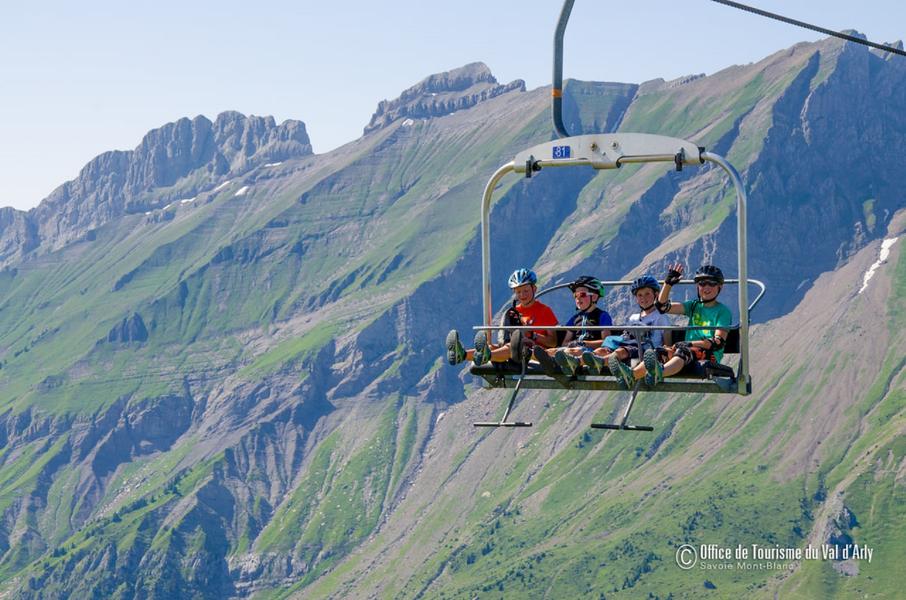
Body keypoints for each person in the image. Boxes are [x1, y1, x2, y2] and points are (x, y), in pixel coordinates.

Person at [609, 264, 732, 389]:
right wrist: (668, 283)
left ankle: (659, 373)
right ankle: (632, 375)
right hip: (687, 351)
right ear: (697, 286)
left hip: (708, 354)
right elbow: (662, 307)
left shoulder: (722, 312)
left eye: (711, 283)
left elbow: (718, 342)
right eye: (702, 283)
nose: (706, 287)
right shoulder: (694, 306)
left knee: (683, 351)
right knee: (658, 352)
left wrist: (689, 344)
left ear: (719, 287)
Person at [446, 268, 558, 366]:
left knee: (511, 348)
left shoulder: (545, 311)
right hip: (516, 348)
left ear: (534, 289)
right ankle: (461, 354)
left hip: (535, 352)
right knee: (492, 347)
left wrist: (532, 335)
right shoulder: (513, 312)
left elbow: (553, 342)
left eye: (526, 291)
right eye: (518, 292)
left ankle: (486, 356)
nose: (522, 295)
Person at [579, 275, 671, 375]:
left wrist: (663, 355)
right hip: (629, 344)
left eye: (647, 294)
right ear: (636, 298)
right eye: (639, 295)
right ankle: (578, 361)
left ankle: (600, 362)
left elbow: (667, 342)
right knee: (603, 350)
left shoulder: (660, 317)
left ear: (656, 294)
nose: (643, 298)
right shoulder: (633, 318)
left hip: (646, 349)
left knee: (620, 352)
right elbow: (626, 336)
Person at [531, 276, 612, 375]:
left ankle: (554, 362)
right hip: (572, 349)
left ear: (594, 296)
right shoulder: (574, 319)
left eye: (582, 294)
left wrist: (584, 343)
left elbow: (606, 342)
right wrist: (570, 344)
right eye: (575, 295)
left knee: (575, 351)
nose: (578, 298)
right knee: (552, 351)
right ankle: (533, 355)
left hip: (590, 352)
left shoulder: (602, 316)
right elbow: (566, 342)